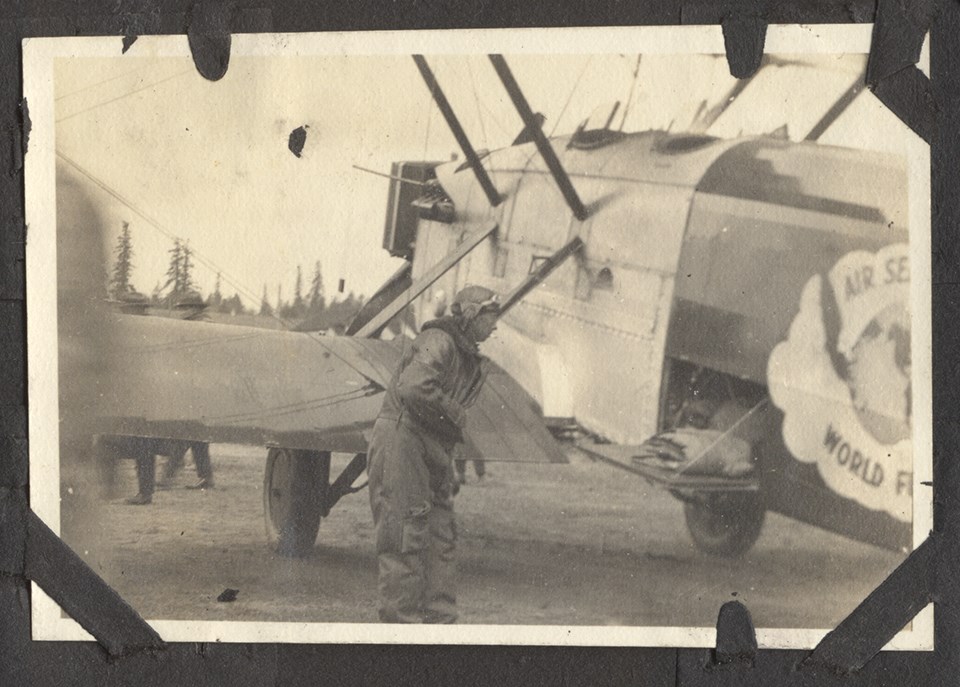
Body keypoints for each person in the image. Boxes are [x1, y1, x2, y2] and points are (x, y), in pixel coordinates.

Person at [367, 285, 499, 623]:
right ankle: (402, 634)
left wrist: (447, 459)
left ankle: (439, 627)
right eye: (491, 317)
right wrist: (454, 415)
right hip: (404, 437)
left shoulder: (466, 354)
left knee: (440, 536)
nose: (495, 326)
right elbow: (413, 387)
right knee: (405, 536)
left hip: (431, 443)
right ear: (471, 313)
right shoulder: (439, 340)